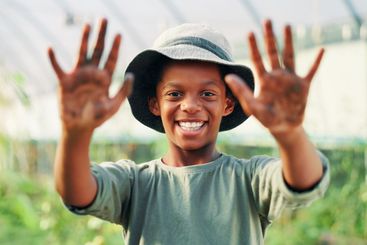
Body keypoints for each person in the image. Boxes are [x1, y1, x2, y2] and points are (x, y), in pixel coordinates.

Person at [48, 18, 330, 244]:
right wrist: (75, 134)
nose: (190, 106)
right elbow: (77, 192)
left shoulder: (249, 179)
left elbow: (304, 181)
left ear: (228, 104)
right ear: (154, 104)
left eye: (208, 93)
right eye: (174, 94)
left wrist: (290, 133)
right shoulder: (134, 183)